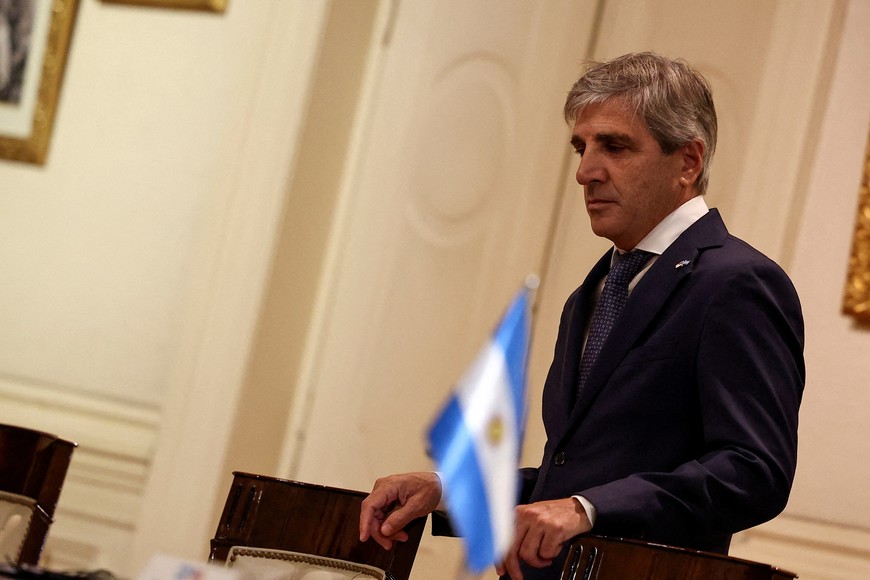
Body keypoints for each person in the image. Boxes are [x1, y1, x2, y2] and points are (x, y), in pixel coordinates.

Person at [358, 52, 805, 579]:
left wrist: (585, 510)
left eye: (614, 146)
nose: (585, 172)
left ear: (687, 162)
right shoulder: (594, 290)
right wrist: (445, 488)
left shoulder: (736, 283)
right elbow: (575, 475)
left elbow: (753, 472)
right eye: (581, 146)